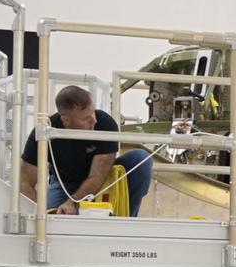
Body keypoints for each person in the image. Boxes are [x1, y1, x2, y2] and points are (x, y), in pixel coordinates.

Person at [19, 84, 154, 215]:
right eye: (86, 118)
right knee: (55, 221)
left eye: (93, 112)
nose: (94, 120)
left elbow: (98, 176)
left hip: (105, 180)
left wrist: (73, 202)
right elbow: (25, 182)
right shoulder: (44, 132)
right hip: (65, 183)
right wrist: (37, 214)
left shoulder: (105, 123)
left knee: (141, 158)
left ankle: (127, 221)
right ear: (65, 120)